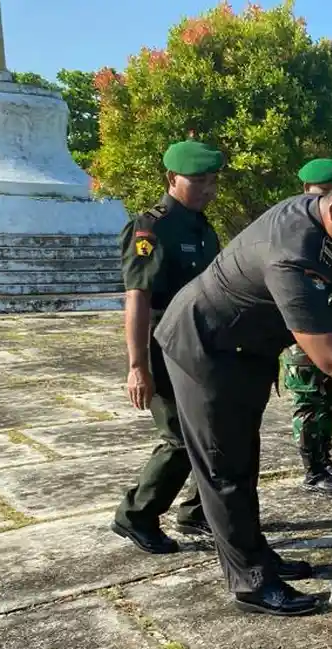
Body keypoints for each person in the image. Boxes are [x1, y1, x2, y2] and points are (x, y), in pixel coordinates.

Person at [153, 162, 332, 616]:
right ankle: (251, 582)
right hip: (206, 346)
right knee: (223, 466)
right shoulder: (293, 255)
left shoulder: (318, 219)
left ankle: (256, 554)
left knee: (243, 457)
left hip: (247, 348)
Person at [111, 140, 223, 554]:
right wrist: (137, 365)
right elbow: (137, 297)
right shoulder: (150, 228)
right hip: (163, 347)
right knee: (178, 437)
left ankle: (197, 510)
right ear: (171, 179)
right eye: (198, 181)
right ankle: (136, 515)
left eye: (212, 181)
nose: (208, 189)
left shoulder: (202, 227)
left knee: (209, 428)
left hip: (199, 344)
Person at [280, 157, 332, 495]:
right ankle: (313, 470)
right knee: (309, 400)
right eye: (321, 192)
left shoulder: (329, 235)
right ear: (305, 191)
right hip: (301, 332)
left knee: (326, 398)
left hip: (325, 324)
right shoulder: (296, 231)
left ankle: (324, 461)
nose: (326, 199)